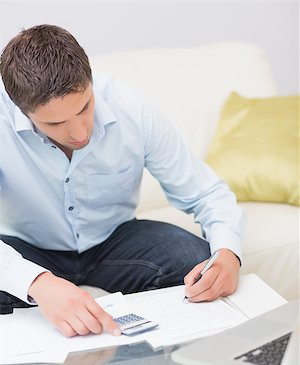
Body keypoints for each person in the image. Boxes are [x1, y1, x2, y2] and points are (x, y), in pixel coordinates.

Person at [0, 24, 242, 338]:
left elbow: (204, 192)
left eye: (85, 107)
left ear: (89, 80)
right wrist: (37, 283)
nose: (79, 133)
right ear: (22, 109)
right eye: (55, 123)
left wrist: (228, 252)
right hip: (28, 247)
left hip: (114, 240)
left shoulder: (131, 108)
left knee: (197, 262)